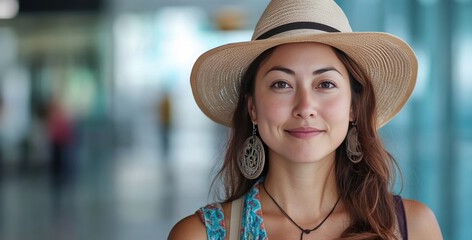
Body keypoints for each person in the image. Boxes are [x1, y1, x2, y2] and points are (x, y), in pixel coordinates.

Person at [169, 0, 442, 239]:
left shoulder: (411, 228)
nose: (305, 107)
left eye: (325, 84)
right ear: (252, 107)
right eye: (281, 84)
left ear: (353, 107)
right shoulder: (201, 235)